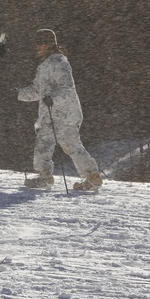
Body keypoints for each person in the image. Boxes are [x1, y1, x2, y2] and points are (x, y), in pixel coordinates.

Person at [17, 28, 103, 192]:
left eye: (41, 43)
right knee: (71, 145)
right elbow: (37, 90)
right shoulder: (45, 65)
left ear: (49, 44)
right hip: (60, 114)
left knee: (44, 143)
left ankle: (44, 177)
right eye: (36, 43)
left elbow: (66, 88)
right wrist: (18, 94)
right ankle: (92, 176)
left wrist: (52, 98)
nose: (37, 47)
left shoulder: (58, 62)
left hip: (60, 113)